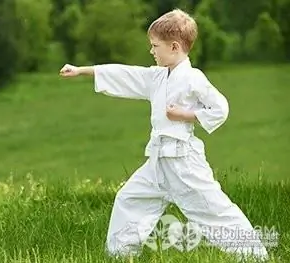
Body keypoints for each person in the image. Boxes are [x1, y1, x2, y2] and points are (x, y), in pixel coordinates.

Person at [59, 8, 269, 262]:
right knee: (129, 199)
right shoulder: (157, 77)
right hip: (158, 162)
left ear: (174, 47)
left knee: (213, 210)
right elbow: (125, 74)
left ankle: (255, 255)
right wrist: (81, 70)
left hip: (183, 163)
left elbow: (220, 108)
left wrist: (185, 114)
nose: (151, 51)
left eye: (155, 46)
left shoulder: (193, 78)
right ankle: (119, 256)